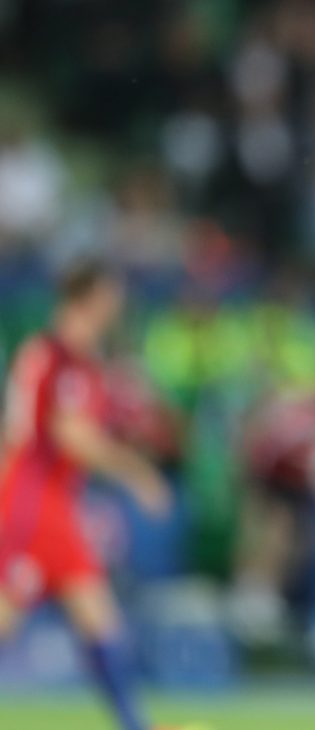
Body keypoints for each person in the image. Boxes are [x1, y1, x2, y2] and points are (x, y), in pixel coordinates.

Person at [0, 262, 180, 730]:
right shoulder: (63, 358)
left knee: (99, 615)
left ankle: (132, 724)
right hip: (30, 503)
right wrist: (137, 472)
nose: (117, 307)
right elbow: (70, 435)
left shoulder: (57, 354)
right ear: (92, 297)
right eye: (111, 296)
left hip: (52, 500)